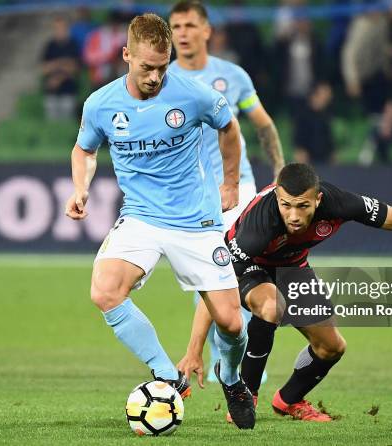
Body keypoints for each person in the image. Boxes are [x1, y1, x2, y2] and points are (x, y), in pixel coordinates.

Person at [178, 163, 392, 423]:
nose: (292, 215)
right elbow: (214, 283)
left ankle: (288, 400)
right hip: (252, 268)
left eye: (302, 206)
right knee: (271, 307)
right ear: (277, 197)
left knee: (332, 347)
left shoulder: (339, 202)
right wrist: (194, 350)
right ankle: (244, 396)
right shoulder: (257, 228)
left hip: (293, 267)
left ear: (317, 200)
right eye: (286, 205)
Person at [65, 13, 255, 429]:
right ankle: (168, 374)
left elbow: (229, 127)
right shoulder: (101, 103)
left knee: (231, 321)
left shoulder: (192, 94)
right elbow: (84, 150)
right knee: (104, 291)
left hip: (196, 222)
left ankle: (233, 378)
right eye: (146, 67)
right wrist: (81, 187)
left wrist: (230, 184)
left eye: (162, 67)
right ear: (126, 55)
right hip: (141, 218)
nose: (154, 76)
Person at [168, 0, 285, 383]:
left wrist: (281, 171)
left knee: (232, 270)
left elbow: (263, 125)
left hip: (239, 189)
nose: (182, 33)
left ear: (206, 31)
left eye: (189, 25)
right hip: (189, 196)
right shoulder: (162, 80)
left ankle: (233, 361)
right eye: (176, 27)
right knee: (208, 278)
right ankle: (223, 358)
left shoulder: (232, 76)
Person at [41, 17, 80, 121]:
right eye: (57, 28)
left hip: (68, 90)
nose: (59, 30)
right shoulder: (50, 46)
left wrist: (58, 76)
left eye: (62, 28)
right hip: (51, 91)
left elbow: (74, 68)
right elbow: (44, 68)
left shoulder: (72, 45)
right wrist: (62, 63)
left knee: (67, 119)